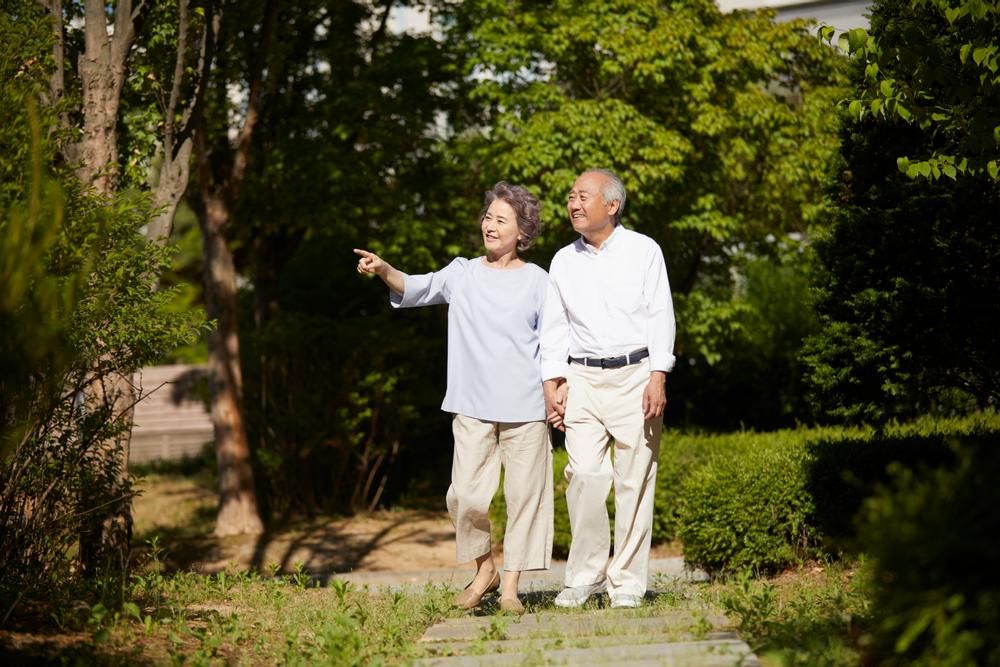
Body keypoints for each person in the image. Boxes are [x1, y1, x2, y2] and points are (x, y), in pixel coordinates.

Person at [353, 182, 553, 615]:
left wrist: (556, 390)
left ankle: (510, 588)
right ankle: (485, 568)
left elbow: (555, 342)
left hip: (526, 408)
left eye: (501, 220)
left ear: (522, 232)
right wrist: (385, 269)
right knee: (463, 496)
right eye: (488, 217)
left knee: (525, 499)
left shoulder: (539, 281)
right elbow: (415, 288)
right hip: (472, 404)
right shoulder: (462, 273)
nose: (490, 225)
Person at [540, 168, 676, 609]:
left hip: (636, 376)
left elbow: (661, 314)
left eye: (583, 196)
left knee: (634, 480)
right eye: (570, 197)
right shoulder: (562, 260)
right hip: (582, 378)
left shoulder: (644, 251)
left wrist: (659, 374)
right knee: (584, 476)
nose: (573, 204)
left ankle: (628, 583)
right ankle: (584, 576)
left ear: (611, 205)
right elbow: (554, 327)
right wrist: (552, 381)